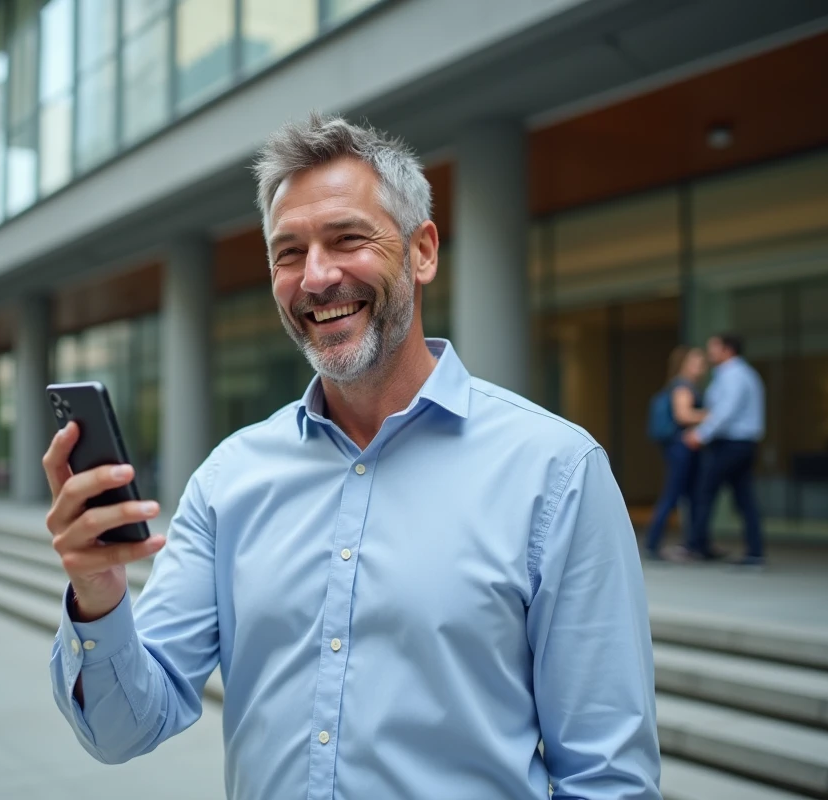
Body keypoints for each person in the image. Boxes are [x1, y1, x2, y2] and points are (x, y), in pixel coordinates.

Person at [44, 114, 660, 799]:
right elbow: (123, 729)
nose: (316, 277)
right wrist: (98, 597)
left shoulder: (558, 474)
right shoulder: (228, 480)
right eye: (288, 252)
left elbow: (609, 779)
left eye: (347, 240)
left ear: (422, 252)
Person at [684, 333, 766, 567]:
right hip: (741, 444)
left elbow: (725, 412)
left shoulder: (734, 376)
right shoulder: (740, 374)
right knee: (744, 498)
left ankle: (696, 545)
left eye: (714, 348)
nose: (710, 353)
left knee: (704, 492)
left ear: (727, 350)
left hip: (732, 444)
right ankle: (755, 551)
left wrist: (700, 435)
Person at [643, 346, 707, 560]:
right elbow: (683, 415)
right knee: (673, 495)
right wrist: (714, 415)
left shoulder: (683, 385)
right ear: (684, 364)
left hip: (681, 448)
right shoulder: (683, 386)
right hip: (682, 448)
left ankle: (695, 543)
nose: (702, 366)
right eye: (697, 362)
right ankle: (653, 543)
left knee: (689, 495)